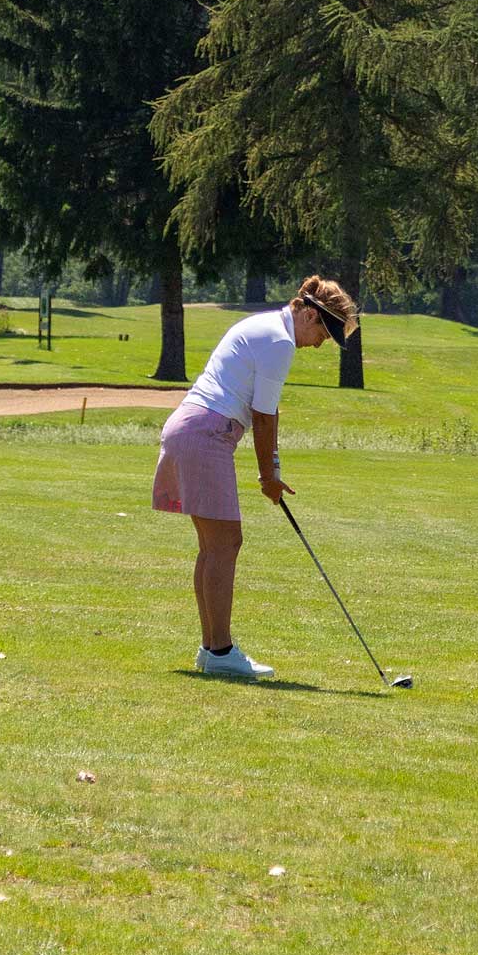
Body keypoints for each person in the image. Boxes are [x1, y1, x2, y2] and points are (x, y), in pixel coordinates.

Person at [152, 275, 360, 679]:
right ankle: (220, 650)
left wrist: (273, 472)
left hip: (194, 428)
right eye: (324, 331)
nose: (321, 343)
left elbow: (269, 413)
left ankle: (212, 650)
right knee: (224, 543)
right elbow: (263, 417)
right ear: (309, 314)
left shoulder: (266, 327)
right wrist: (268, 477)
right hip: (206, 433)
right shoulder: (279, 341)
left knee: (215, 546)